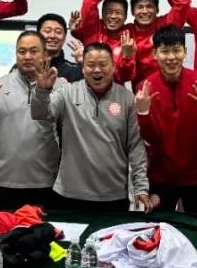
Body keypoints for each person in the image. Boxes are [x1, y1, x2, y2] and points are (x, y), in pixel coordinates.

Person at [30, 43, 153, 212]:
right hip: (69, 194)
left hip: (114, 196)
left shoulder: (127, 99)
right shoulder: (67, 92)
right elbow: (40, 114)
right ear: (82, 67)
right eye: (91, 65)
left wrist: (141, 188)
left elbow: (136, 147)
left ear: (113, 66)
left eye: (103, 64)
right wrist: (42, 91)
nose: (97, 70)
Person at [0, 31, 64, 212]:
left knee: (44, 231)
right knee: (1, 232)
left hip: (45, 183)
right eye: (22, 51)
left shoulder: (61, 85)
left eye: (33, 51)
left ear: (45, 55)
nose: (27, 56)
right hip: (1, 183)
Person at [132, 26, 197, 216]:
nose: (171, 57)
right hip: (160, 178)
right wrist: (143, 113)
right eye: (165, 51)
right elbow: (151, 139)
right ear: (155, 54)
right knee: (158, 230)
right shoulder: (145, 88)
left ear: (185, 52)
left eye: (177, 50)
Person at [36, 13, 83, 82]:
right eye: (47, 31)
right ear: (37, 35)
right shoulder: (27, 66)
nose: (52, 36)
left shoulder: (75, 70)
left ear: (65, 37)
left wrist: (85, 63)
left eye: (58, 32)